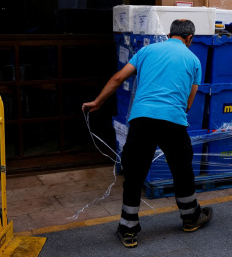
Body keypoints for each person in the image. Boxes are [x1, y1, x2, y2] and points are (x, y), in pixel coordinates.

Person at [82, 19, 213, 248]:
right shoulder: (193, 60)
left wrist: (98, 102)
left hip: (141, 119)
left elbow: (117, 78)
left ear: (169, 34)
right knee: (182, 172)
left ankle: (128, 229)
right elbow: (188, 104)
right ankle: (191, 218)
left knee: (134, 174)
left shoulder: (147, 50)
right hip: (173, 120)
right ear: (189, 38)